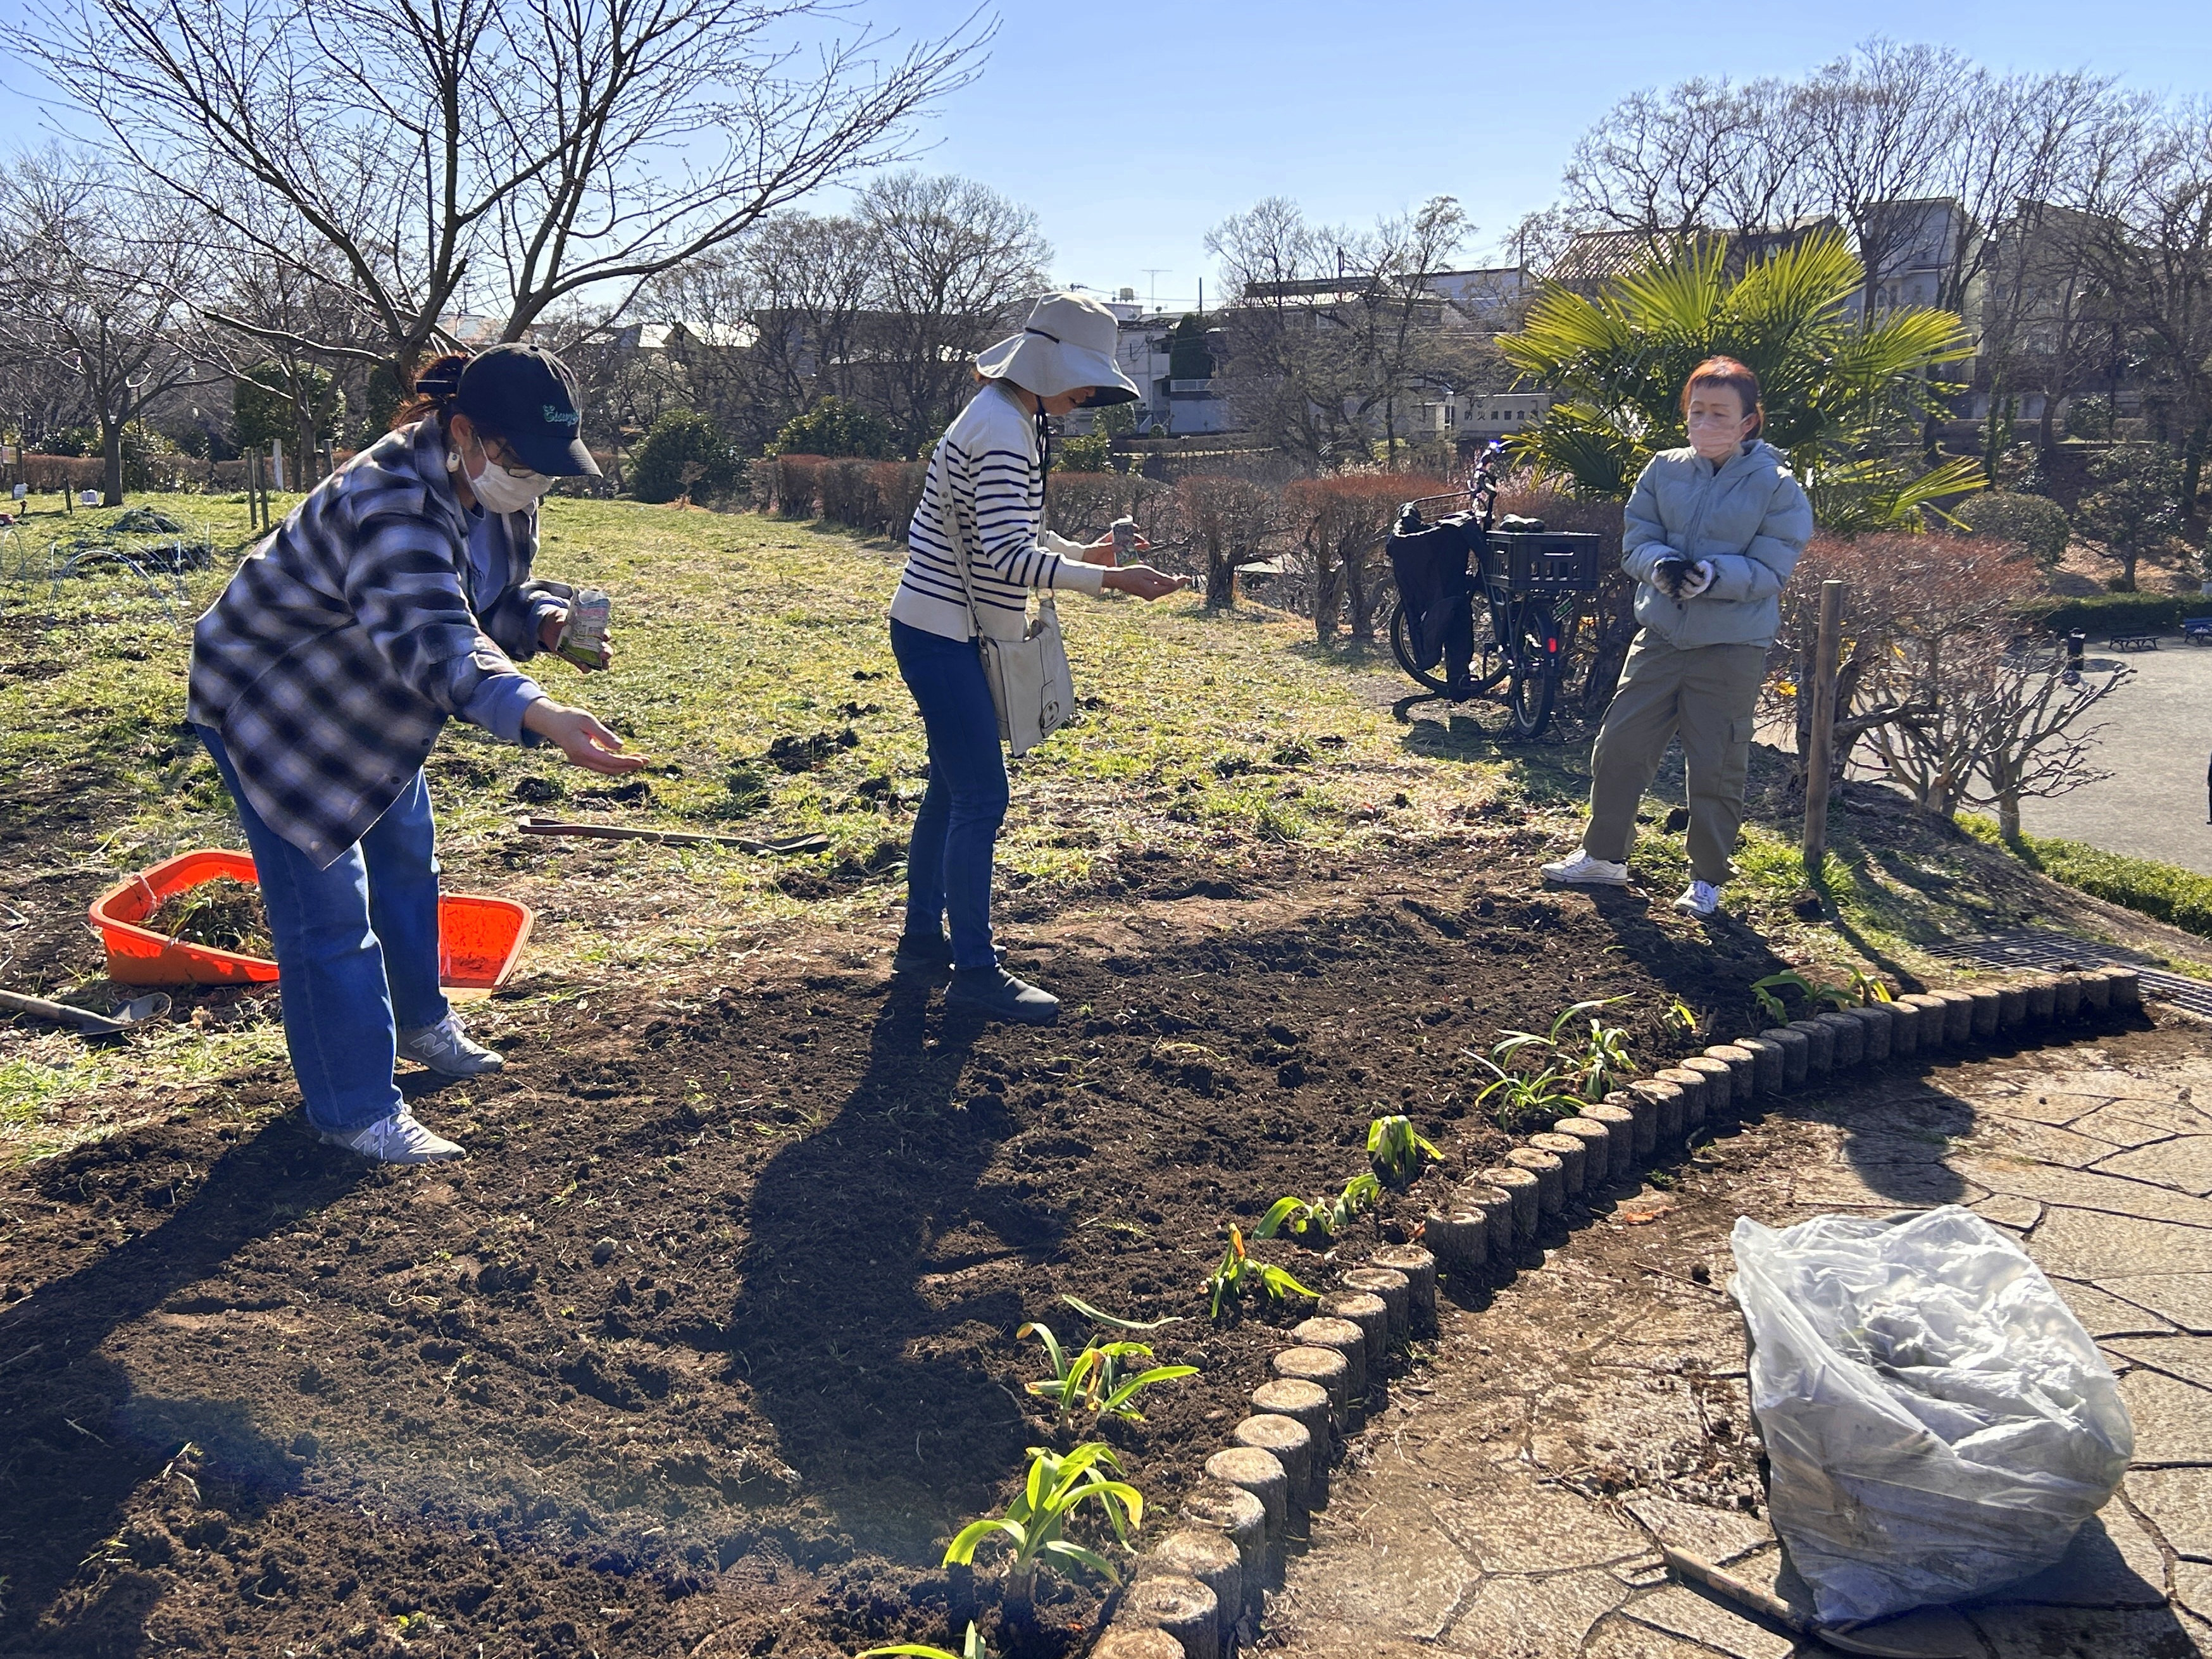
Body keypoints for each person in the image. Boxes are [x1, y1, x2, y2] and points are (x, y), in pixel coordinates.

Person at [189, 344, 644, 1164]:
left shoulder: (501, 483)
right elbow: (439, 642)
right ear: (464, 433)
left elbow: (488, 599)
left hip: (373, 697)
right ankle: (355, 1107)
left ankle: (421, 1021)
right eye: (522, 462)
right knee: (329, 914)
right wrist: (542, 714)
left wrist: (542, 622)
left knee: (407, 859)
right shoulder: (391, 498)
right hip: (277, 701)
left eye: (547, 469)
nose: (532, 484)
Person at [888, 291, 1188, 1023]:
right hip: (944, 632)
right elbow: (1005, 554)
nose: (1090, 393)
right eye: (1086, 377)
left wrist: (1083, 553)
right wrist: (1110, 579)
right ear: (1048, 362)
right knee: (981, 795)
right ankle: (975, 973)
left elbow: (1014, 532)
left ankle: (924, 941)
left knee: (953, 788)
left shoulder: (1006, 415)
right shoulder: (1002, 429)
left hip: (935, 625)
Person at [1540, 356, 1812, 917]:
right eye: (1697, 411)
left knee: (1715, 763)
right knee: (1618, 748)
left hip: (1731, 646)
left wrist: (1714, 575)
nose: (1705, 422)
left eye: (1720, 412)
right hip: (1660, 636)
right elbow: (1637, 540)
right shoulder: (1663, 469)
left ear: (1748, 422)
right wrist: (1659, 565)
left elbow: (1771, 567)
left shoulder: (1778, 488)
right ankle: (1603, 858)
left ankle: (1707, 878)